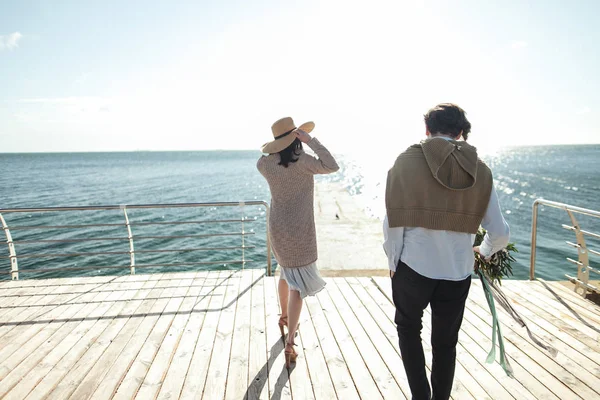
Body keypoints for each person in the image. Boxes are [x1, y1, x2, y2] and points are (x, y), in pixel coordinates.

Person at [383, 103, 510, 400]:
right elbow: (501, 233)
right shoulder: (480, 169)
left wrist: (394, 260)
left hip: (412, 266)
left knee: (407, 329)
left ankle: (420, 396)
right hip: (457, 270)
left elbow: (393, 221)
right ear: (461, 133)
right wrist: (484, 250)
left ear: (427, 130)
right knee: (445, 343)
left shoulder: (406, 161)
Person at [257, 116, 339, 368]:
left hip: (278, 227)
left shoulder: (264, 164)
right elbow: (332, 165)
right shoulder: (304, 162)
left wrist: (284, 142)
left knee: (285, 272)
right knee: (298, 286)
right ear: (295, 139)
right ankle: (290, 341)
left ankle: (283, 317)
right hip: (300, 230)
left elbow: (264, 157)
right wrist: (310, 141)